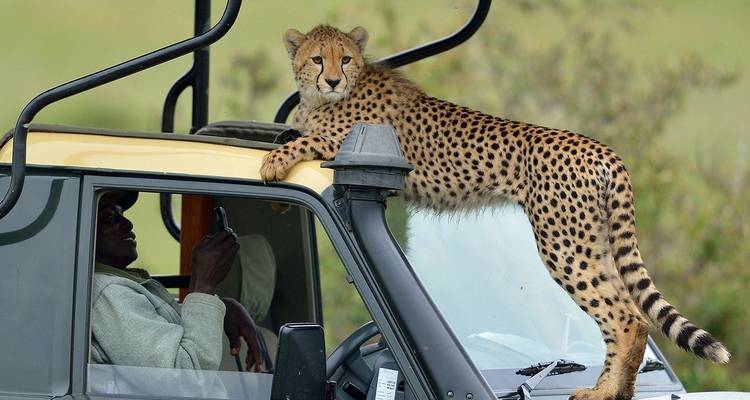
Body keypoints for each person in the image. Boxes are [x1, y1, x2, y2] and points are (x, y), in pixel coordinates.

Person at [90, 191, 264, 371]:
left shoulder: (122, 285)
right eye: (110, 216)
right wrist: (203, 286)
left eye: (122, 214)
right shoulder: (109, 294)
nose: (128, 223)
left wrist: (223, 307)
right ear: (84, 229)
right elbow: (186, 377)